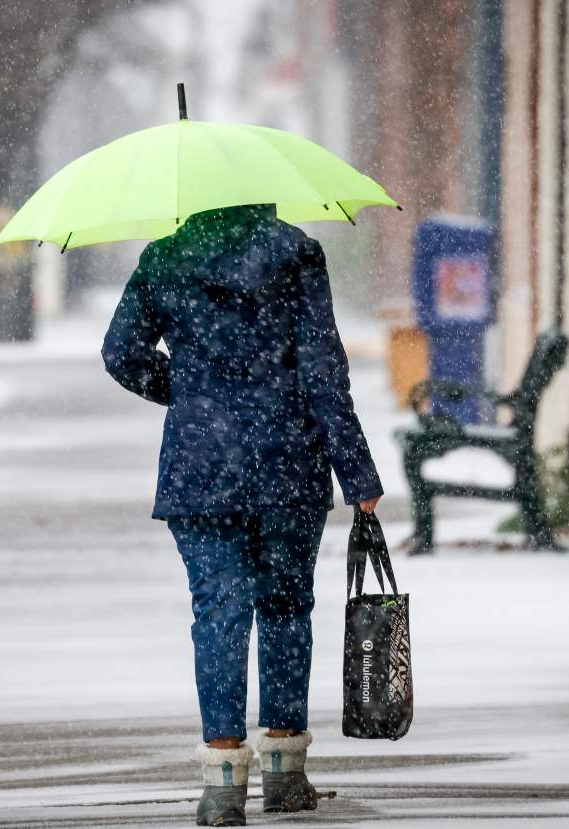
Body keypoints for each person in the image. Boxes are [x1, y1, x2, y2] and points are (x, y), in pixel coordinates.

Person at [102, 204, 382, 826]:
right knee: (286, 607)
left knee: (218, 611)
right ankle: (284, 774)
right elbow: (321, 371)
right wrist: (357, 473)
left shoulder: (165, 257)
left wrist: (190, 390)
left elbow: (121, 352)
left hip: (201, 467)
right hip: (288, 461)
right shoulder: (297, 254)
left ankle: (222, 781)